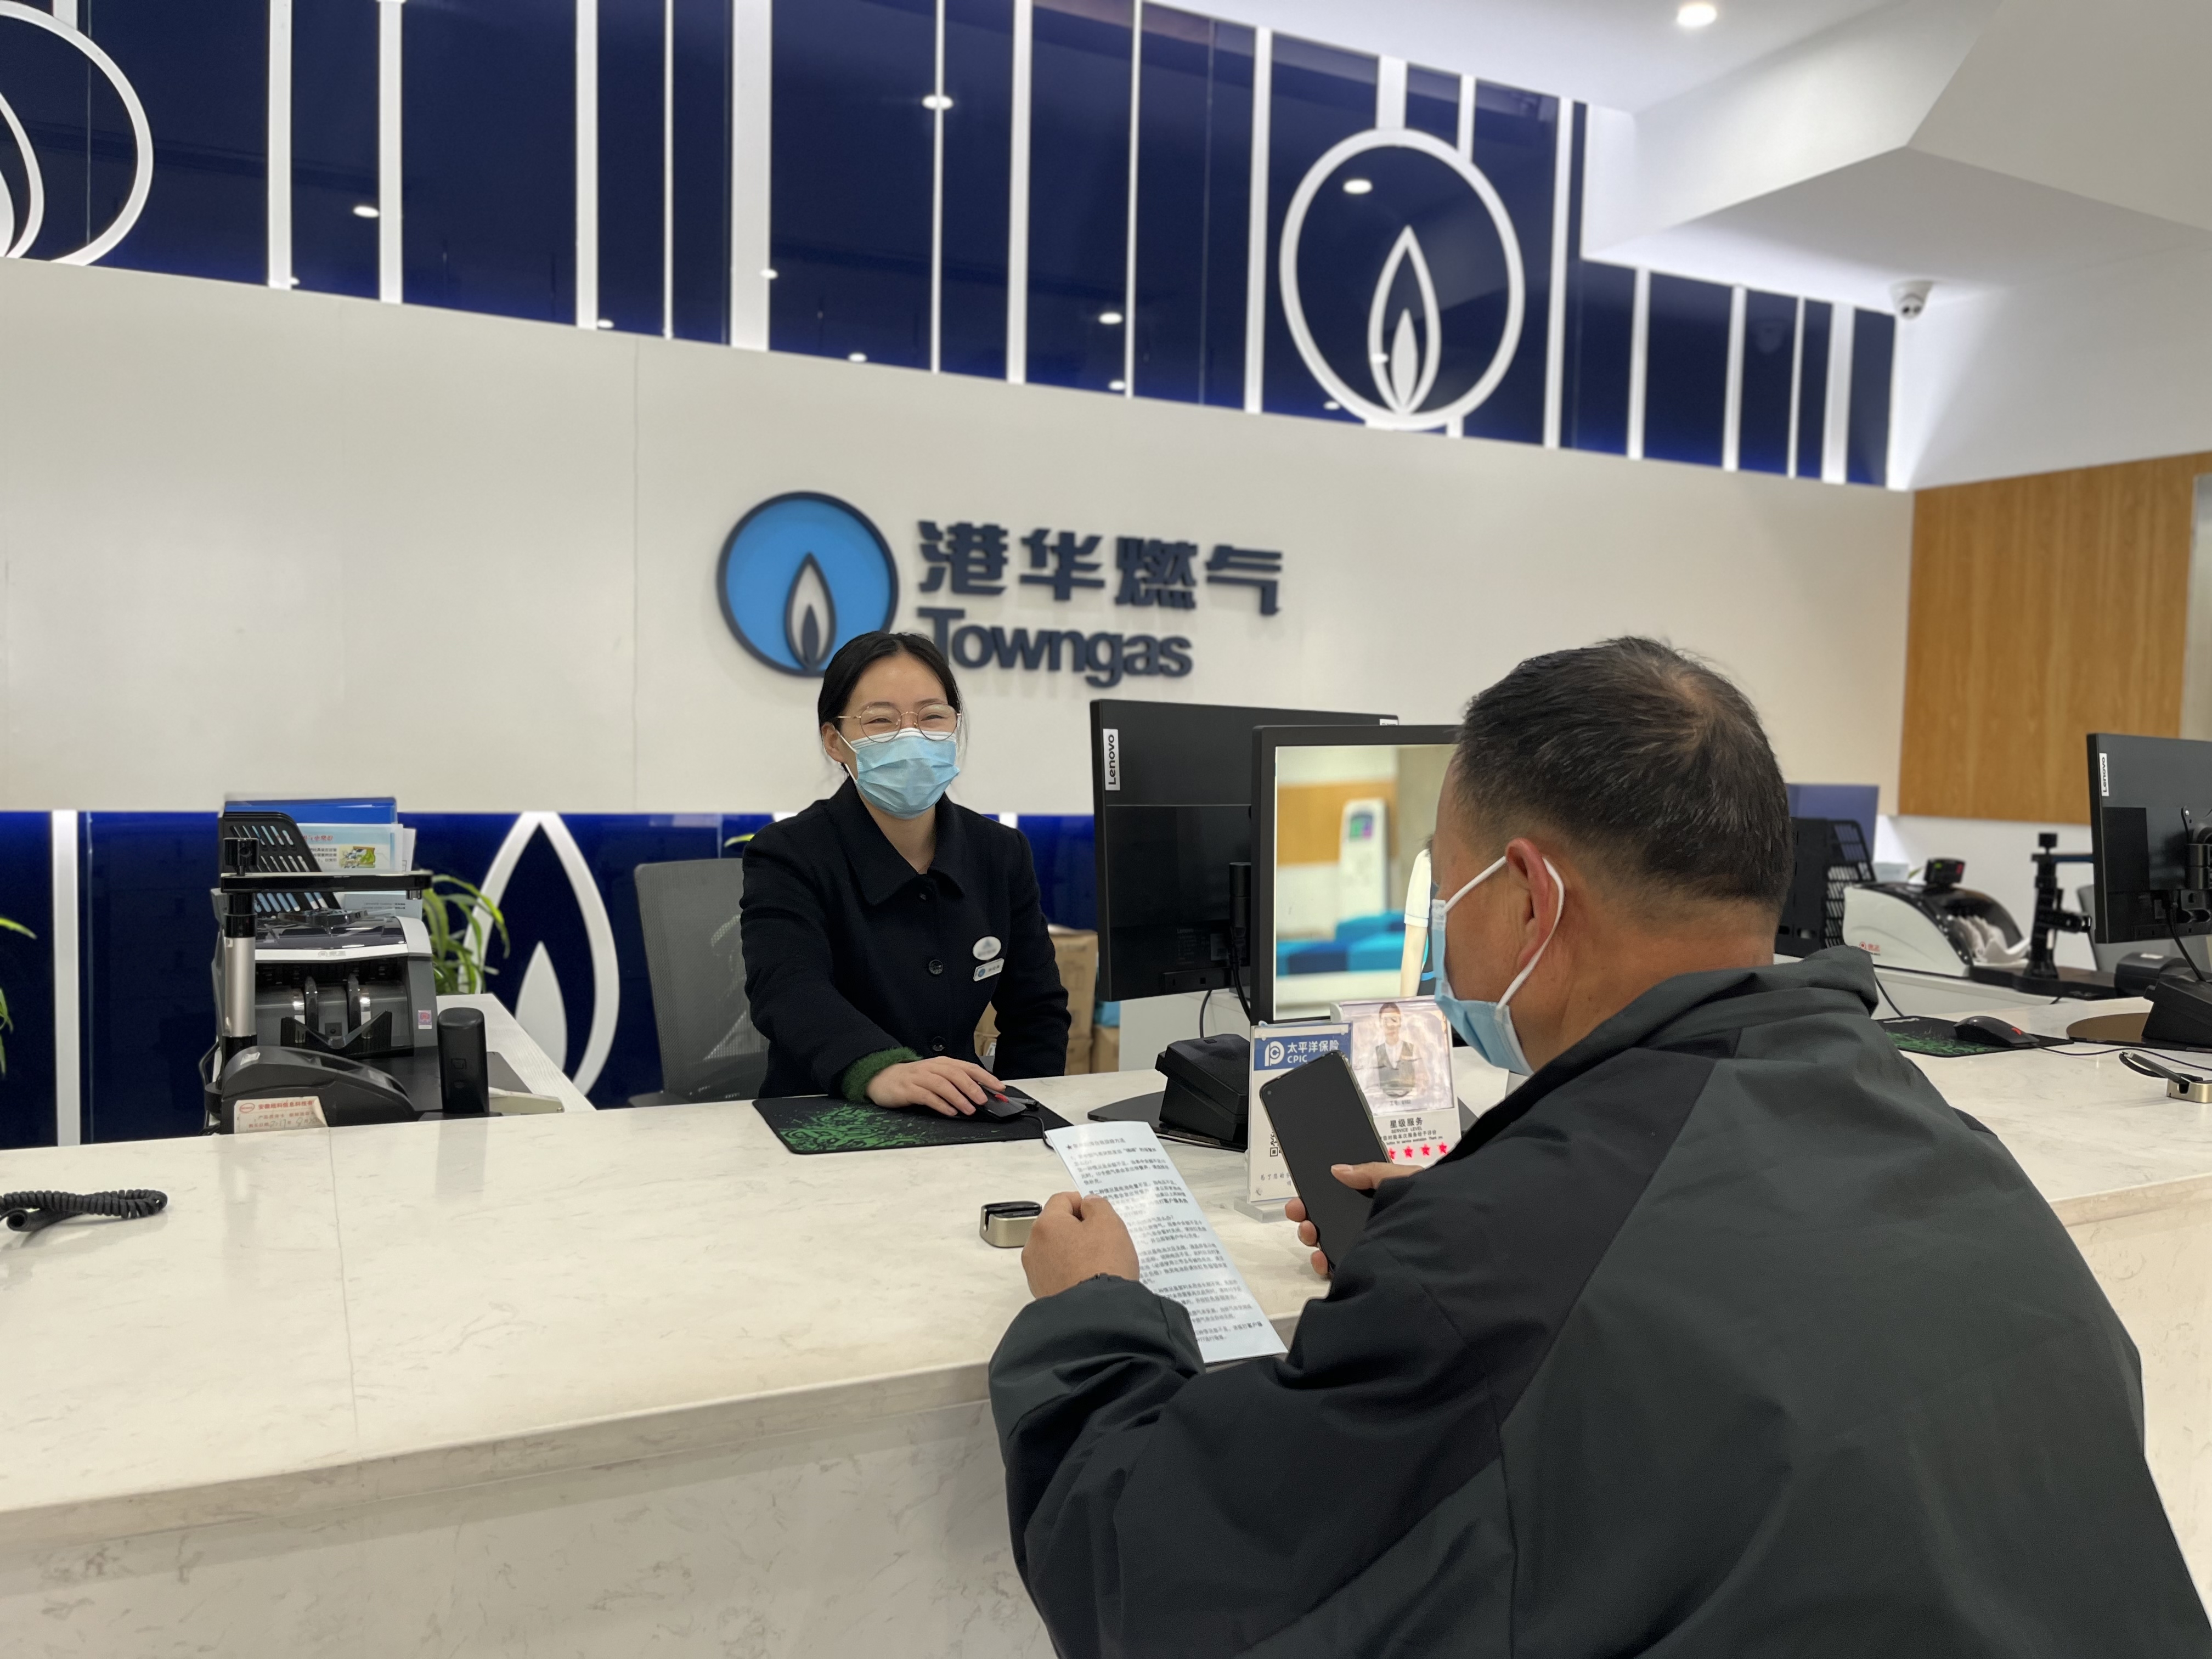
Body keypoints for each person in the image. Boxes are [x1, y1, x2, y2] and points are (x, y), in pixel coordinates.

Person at [988, 637, 2211, 1657]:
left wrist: (1093, 1320)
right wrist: (1485, 1224)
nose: (1440, 930)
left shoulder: (1503, 1260)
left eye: (1443, 891)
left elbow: (1155, 1585)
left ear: (1530, 897)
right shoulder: (1944, 1142)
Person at [740, 630, 1069, 1114]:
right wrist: (879, 1068)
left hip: (960, 1114)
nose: (911, 737)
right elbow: (787, 988)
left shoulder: (1000, 852)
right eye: (880, 720)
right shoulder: (788, 852)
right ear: (835, 741)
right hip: (825, 1111)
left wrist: (1019, 1115)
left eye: (932, 716)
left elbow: (1037, 1010)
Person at [1365, 1000, 1424, 1098]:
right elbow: (1371, 1086)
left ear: (1400, 1022)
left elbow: (1422, 1080)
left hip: (1411, 1102)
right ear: (1380, 1024)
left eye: (1394, 1020)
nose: (1390, 1025)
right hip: (1384, 1103)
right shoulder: (1375, 1054)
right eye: (1386, 1021)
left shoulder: (1413, 1050)